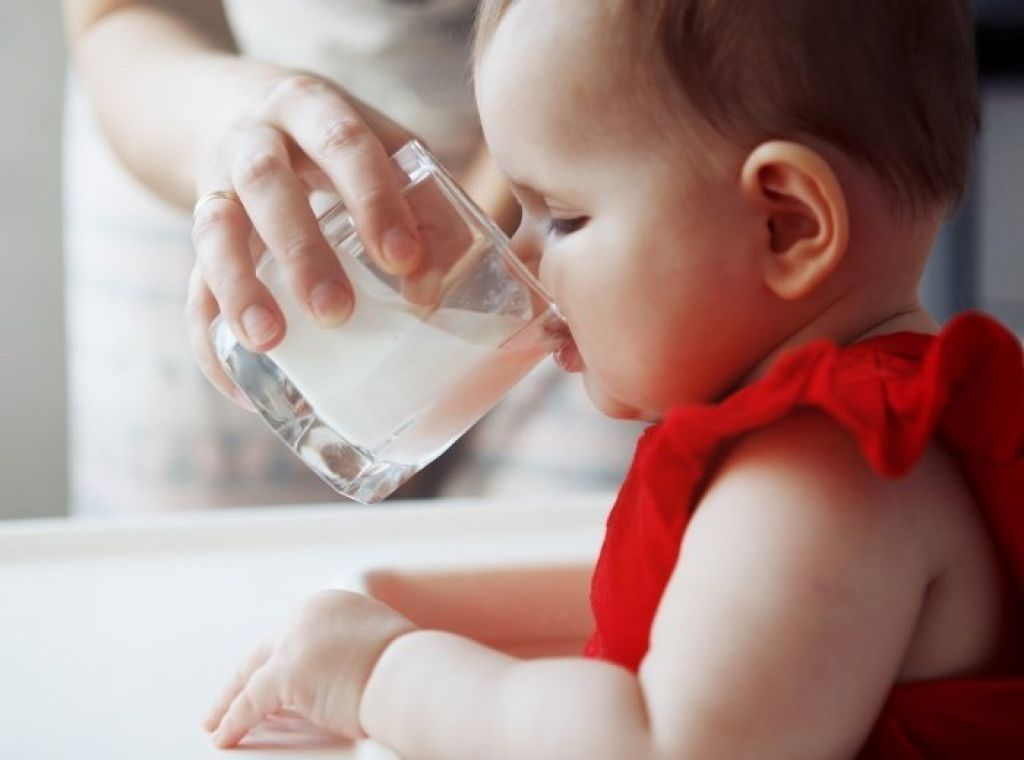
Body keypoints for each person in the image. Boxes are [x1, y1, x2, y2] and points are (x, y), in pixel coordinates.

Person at [202, 0, 1024, 757]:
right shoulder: (832, 446)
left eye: (561, 216)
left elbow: (654, 747)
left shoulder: (825, 473)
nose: (517, 259)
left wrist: (379, 674)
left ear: (787, 226)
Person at [62, 0, 644, 514]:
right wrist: (228, 121)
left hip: (627, 136)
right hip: (219, 142)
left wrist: (490, 228)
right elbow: (115, 14)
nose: (523, 258)